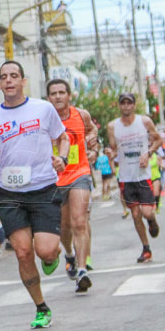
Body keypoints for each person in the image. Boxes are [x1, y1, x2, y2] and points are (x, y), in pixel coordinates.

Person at [0, 60, 69, 330]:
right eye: (4, 76)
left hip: (43, 188)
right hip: (10, 193)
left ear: (23, 81)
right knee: (22, 251)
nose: (9, 80)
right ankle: (41, 307)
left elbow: (62, 137)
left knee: (46, 251)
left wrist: (61, 158)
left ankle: (53, 256)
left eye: (14, 76)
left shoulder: (43, 108)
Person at [46, 79, 97, 293]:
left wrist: (94, 142)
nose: (58, 96)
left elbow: (92, 131)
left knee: (79, 222)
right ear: (48, 98)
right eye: (53, 93)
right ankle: (69, 254)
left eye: (61, 92)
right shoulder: (43, 118)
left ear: (69, 96)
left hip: (80, 173)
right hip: (55, 179)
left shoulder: (81, 115)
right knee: (64, 227)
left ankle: (82, 270)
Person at [107, 93, 164, 264]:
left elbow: (159, 140)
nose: (126, 106)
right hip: (126, 176)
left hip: (143, 174)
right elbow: (114, 149)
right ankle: (146, 248)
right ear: (119, 106)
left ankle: (152, 220)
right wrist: (111, 154)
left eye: (129, 103)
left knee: (146, 212)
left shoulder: (144, 122)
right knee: (135, 214)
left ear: (133, 105)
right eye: (123, 103)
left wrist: (149, 153)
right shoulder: (112, 126)